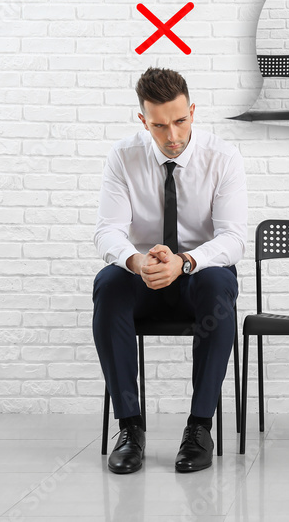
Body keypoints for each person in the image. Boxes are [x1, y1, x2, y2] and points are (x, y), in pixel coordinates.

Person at [92, 68, 247, 474]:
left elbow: (233, 239)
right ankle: (130, 427)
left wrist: (186, 262)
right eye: (159, 126)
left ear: (192, 112)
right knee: (108, 282)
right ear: (143, 121)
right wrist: (139, 262)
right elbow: (108, 231)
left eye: (180, 121)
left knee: (219, 281)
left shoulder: (223, 157)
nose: (172, 136)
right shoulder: (123, 157)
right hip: (145, 278)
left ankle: (199, 427)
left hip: (196, 277)